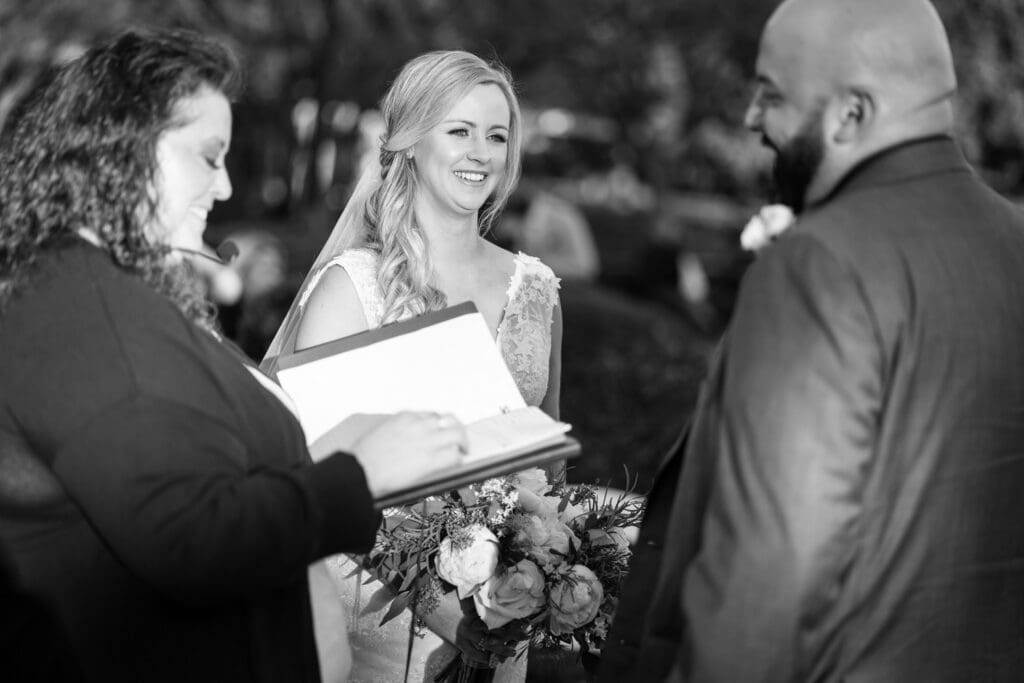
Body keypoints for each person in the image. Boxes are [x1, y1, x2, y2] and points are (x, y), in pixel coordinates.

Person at [0, 29, 467, 683]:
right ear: (121, 146)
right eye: (208, 155)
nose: (223, 186)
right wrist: (359, 474)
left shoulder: (108, 289)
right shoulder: (81, 306)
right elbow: (186, 540)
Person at [600, 0, 1024, 680]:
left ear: (852, 115)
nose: (749, 119)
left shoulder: (819, 264)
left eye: (771, 95)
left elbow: (764, 589)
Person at [263, 50, 563, 682]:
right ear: (408, 144)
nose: (481, 152)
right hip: (377, 625)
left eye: (498, 135)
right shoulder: (354, 286)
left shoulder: (536, 290)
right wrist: (444, 612)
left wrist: (539, 574)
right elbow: (313, 475)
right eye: (459, 131)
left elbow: (546, 461)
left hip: (503, 624)